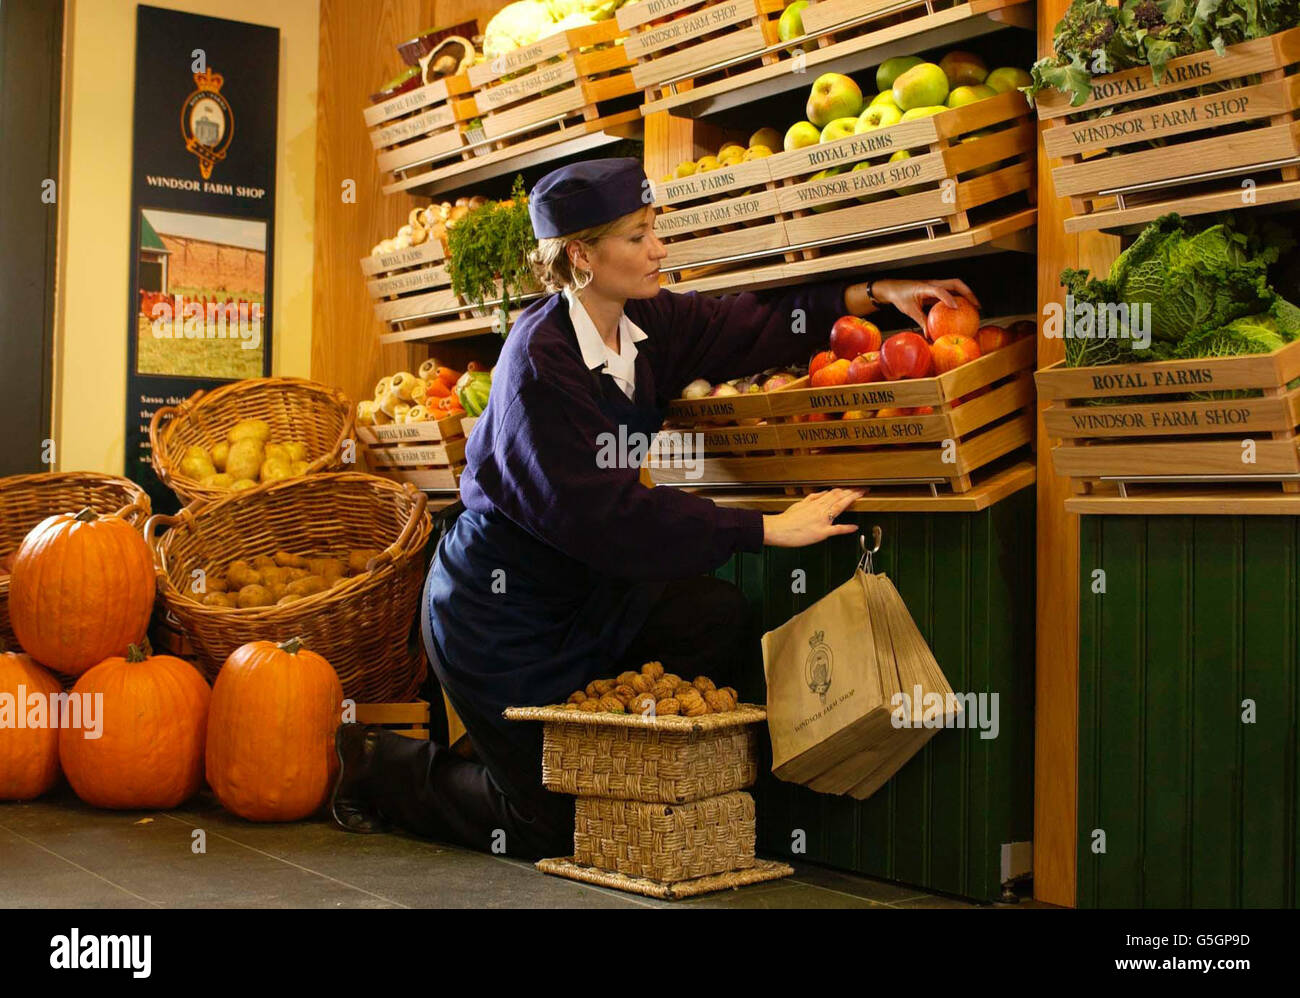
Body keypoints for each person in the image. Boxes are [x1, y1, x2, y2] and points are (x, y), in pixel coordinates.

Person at [332, 158, 979, 859]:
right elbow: (606, 517)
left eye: (654, 230)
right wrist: (762, 528)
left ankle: (604, 775)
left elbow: (742, 323)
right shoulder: (540, 364)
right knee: (550, 824)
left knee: (713, 616)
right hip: (501, 613)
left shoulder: (641, 322)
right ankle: (379, 766)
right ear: (582, 256)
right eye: (638, 236)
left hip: (589, 590)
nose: (658, 249)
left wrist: (876, 292)